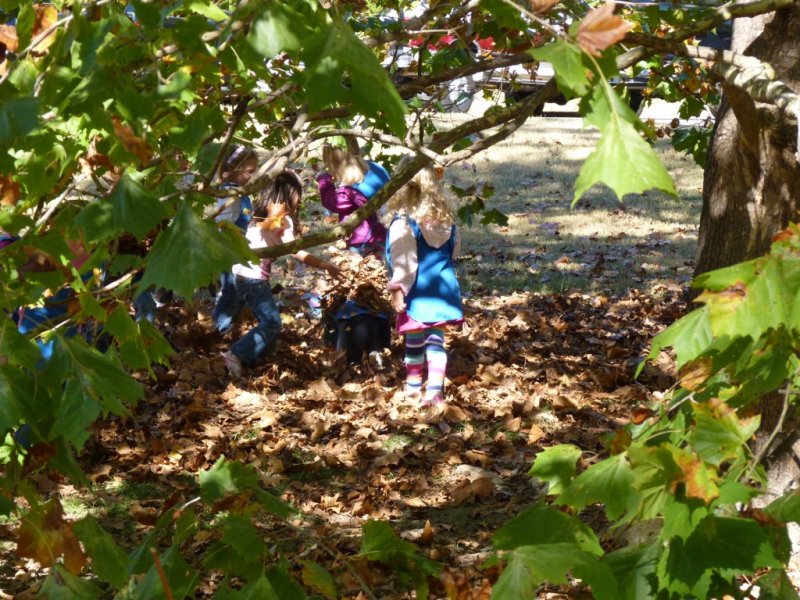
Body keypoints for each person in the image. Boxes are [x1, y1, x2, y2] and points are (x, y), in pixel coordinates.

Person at [215, 169, 342, 377]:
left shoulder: (264, 218)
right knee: (272, 322)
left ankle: (259, 357)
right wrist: (325, 265)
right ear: (287, 197)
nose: (297, 204)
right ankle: (236, 353)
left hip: (244, 275)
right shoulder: (273, 220)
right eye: (296, 198)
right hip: (251, 278)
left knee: (264, 320)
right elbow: (296, 251)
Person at [383, 162, 463, 406]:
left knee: (415, 341)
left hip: (418, 293)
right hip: (444, 290)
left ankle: (414, 387)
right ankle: (434, 391)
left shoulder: (404, 224)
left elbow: (404, 262)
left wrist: (398, 290)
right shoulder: (446, 223)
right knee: (436, 341)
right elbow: (455, 253)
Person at [316, 142, 390, 257]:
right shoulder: (377, 169)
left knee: (358, 271)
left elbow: (331, 202)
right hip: (385, 234)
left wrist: (324, 181)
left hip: (362, 243)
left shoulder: (348, 192)